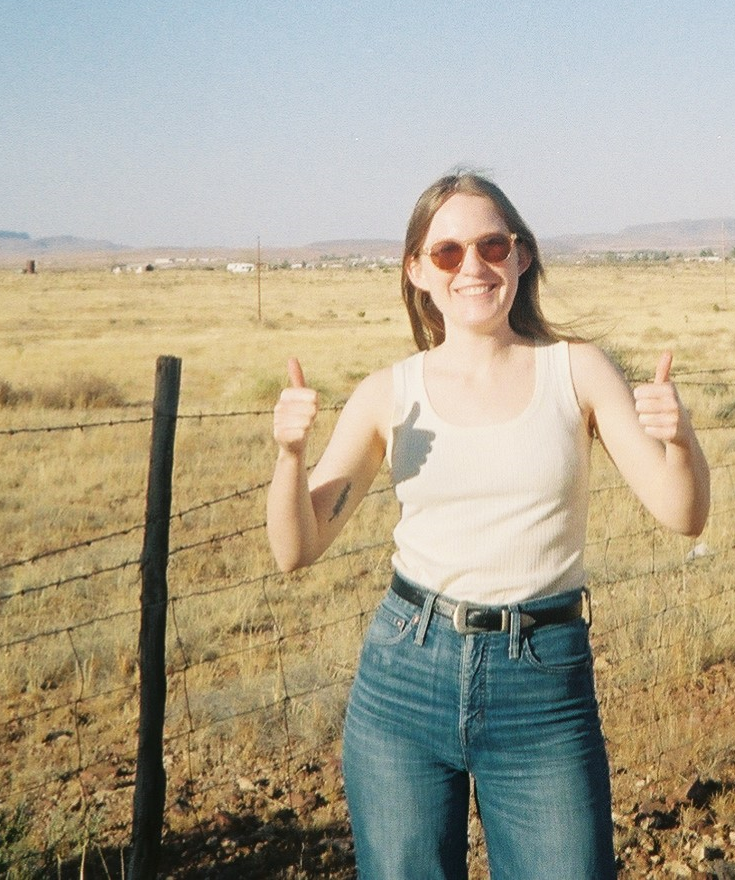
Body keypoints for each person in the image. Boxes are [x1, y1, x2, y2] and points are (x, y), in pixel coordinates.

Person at [267, 170, 711, 880]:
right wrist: (291, 457)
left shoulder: (579, 371)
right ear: (417, 271)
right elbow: (296, 548)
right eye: (447, 252)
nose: (472, 266)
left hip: (541, 681)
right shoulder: (388, 394)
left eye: (492, 246)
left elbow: (682, 514)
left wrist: (680, 441)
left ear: (521, 255)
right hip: (405, 676)